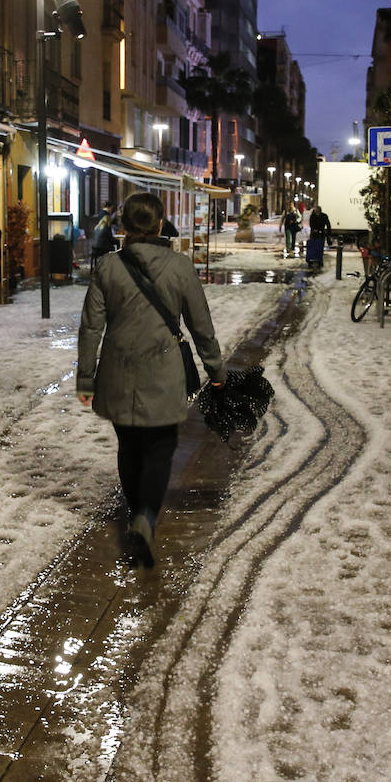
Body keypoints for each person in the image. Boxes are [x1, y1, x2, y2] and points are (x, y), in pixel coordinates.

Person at [77, 193, 226, 568]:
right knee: (161, 446)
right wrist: (216, 370)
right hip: (163, 372)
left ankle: (134, 514)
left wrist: (85, 378)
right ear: (161, 225)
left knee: (128, 445)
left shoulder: (107, 268)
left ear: (123, 226)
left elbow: (91, 326)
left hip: (117, 372)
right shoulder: (180, 266)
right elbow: (200, 324)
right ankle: (145, 517)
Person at [90, 202, 118, 268]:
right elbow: (110, 238)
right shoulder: (106, 228)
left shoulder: (97, 227)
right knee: (114, 248)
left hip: (95, 247)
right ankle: (112, 266)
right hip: (103, 247)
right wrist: (117, 241)